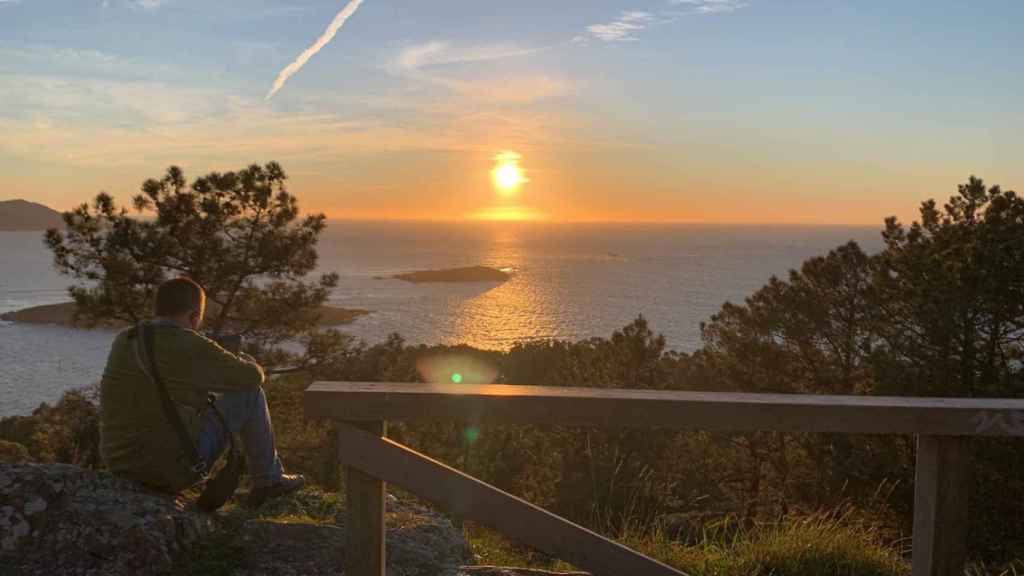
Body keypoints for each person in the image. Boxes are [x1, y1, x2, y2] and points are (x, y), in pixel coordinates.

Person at [99, 277, 304, 506]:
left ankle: (269, 480)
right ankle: (269, 481)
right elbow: (253, 377)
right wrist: (243, 360)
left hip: (120, 465)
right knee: (250, 394)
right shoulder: (190, 344)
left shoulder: (126, 339)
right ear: (195, 315)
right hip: (170, 472)